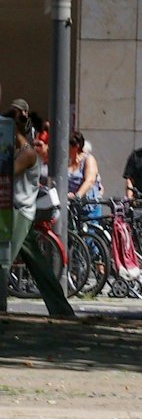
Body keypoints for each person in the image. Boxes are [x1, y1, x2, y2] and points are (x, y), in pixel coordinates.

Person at [0, 93, 75, 318]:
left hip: (20, 213)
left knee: (4, 261)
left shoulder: (27, 154)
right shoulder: (20, 152)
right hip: (19, 212)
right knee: (37, 264)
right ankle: (61, 310)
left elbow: (6, 175)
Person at [67, 132, 102, 209]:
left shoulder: (88, 159)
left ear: (76, 147)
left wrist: (77, 196)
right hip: (71, 208)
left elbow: (90, 181)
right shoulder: (67, 162)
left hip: (88, 207)